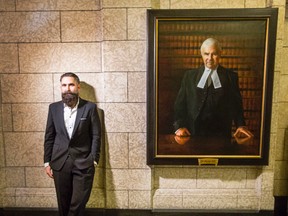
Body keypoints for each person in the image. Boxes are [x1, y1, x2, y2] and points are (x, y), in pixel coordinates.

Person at [44, 72, 101, 216]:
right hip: (59, 163)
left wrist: (94, 159)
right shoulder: (53, 108)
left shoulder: (90, 108)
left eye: (71, 84)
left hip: (83, 162)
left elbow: (96, 135)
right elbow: (49, 136)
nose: (67, 88)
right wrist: (46, 162)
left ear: (78, 87)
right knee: (63, 205)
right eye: (64, 85)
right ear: (60, 88)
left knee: (77, 204)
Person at [173, 38, 253, 140]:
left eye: (214, 54)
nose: (210, 58)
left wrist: (241, 125)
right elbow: (180, 105)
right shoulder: (189, 76)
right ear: (201, 54)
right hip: (192, 134)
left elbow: (236, 105)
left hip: (221, 135)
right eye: (206, 54)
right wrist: (179, 127)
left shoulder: (230, 77)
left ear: (220, 54)